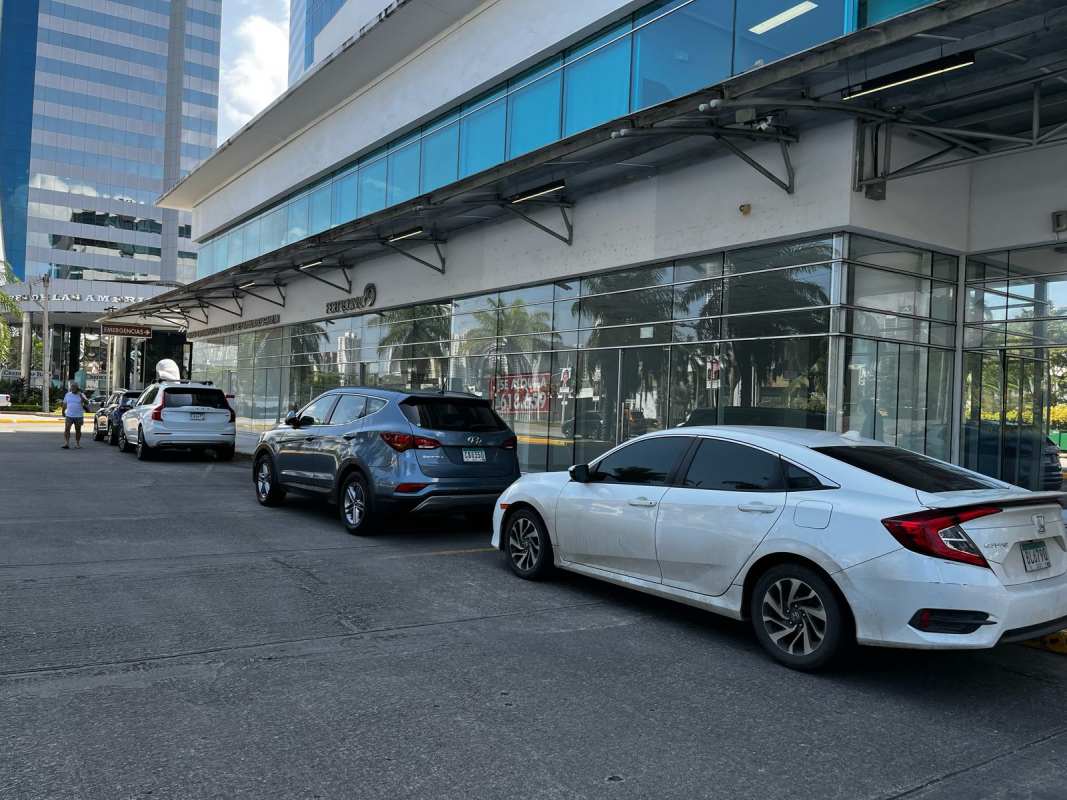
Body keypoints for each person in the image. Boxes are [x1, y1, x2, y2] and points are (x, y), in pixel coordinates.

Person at [61, 381, 89, 449]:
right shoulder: (67, 394)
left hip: (78, 416)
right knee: (67, 429)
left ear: (77, 388)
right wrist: (63, 412)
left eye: (74, 387)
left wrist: (81, 396)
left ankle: (77, 444)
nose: (72, 388)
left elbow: (87, 403)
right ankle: (66, 443)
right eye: (72, 387)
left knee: (78, 430)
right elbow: (65, 404)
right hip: (69, 415)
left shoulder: (81, 394)